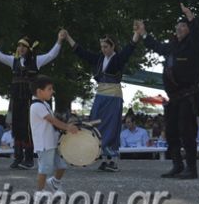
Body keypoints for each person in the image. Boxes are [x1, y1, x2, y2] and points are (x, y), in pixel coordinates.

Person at [135, 3, 199, 179]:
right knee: (171, 131)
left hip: (189, 95)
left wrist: (190, 16)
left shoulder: (193, 45)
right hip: (173, 98)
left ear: (188, 29)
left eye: (183, 26)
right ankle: (177, 165)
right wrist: (143, 33)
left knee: (187, 131)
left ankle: (191, 168)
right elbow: (156, 46)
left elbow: (197, 33)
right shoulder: (172, 46)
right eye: (178, 26)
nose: (180, 28)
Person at [60, 25, 140, 172]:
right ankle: (104, 158)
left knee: (111, 127)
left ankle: (113, 161)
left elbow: (130, 49)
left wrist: (136, 34)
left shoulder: (118, 59)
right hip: (100, 97)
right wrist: (68, 37)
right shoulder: (99, 59)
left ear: (112, 46)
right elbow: (81, 52)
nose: (103, 49)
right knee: (96, 126)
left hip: (113, 98)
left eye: (105, 46)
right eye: (102, 46)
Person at [0, 31, 62, 169]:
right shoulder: (13, 61)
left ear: (28, 49)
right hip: (16, 99)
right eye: (19, 46)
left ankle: (29, 159)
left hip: (29, 101)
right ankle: (18, 157)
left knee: (27, 128)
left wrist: (59, 41)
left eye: (24, 46)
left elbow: (52, 55)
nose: (20, 48)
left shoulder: (36, 61)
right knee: (16, 127)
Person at [29, 75, 78, 193]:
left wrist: (66, 126)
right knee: (44, 169)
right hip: (44, 144)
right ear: (39, 91)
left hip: (52, 141)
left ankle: (54, 183)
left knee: (62, 165)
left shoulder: (45, 104)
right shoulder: (36, 106)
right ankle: (39, 192)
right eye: (49, 89)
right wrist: (68, 127)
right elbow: (53, 121)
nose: (52, 91)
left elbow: (54, 121)